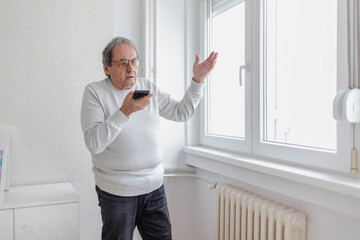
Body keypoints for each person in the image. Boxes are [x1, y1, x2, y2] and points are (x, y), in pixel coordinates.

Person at [81, 36, 217, 240]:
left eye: (134, 61)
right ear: (107, 68)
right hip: (117, 192)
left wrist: (197, 81)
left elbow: (181, 112)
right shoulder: (95, 92)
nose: (130, 68)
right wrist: (125, 111)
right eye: (123, 62)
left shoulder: (147, 87)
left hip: (154, 188)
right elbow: (94, 144)